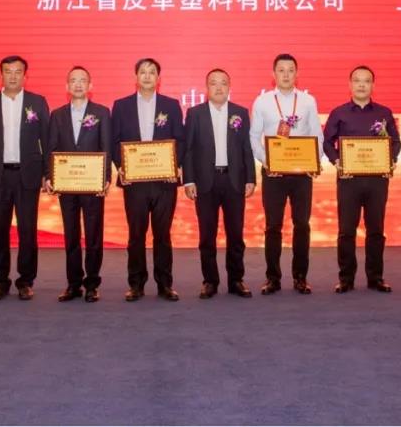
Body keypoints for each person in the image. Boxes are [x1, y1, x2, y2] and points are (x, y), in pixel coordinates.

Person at [0, 55, 50, 301]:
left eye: (18, 72)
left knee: (28, 231)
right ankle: (0, 281)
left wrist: (48, 173)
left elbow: (47, 141)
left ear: (25, 76)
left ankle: (26, 281)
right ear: (1, 75)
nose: (13, 76)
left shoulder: (37, 102)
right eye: (8, 71)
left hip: (28, 176)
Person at [111, 58, 185, 302]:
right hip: (134, 182)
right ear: (136, 77)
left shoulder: (171, 105)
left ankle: (165, 284)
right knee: (136, 235)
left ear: (158, 78)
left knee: (162, 235)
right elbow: (114, 141)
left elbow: (180, 139)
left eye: (152, 72)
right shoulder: (121, 106)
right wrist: (122, 167)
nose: (147, 76)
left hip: (164, 182)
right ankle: (136, 284)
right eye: (142, 72)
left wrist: (175, 165)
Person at [249, 53, 324, 295]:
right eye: (281, 70)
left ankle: (300, 277)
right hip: (273, 174)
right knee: (273, 226)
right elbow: (253, 137)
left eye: (290, 70)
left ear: (297, 74)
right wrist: (267, 161)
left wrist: (315, 161)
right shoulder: (262, 102)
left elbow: (316, 134)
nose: (286, 74)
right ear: (273, 74)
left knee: (301, 225)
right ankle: (273, 278)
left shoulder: (307, 101)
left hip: (301, 174)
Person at [323, 66, 401, 293]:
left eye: (366, 81)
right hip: (349, 180)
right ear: (350, 84)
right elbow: (327, 142)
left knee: (375, 230)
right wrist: (337, 161)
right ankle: (346, 278)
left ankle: (376, 277)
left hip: (377, 180)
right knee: (346, 231)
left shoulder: (384, 113)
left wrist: (390, 159)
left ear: (372, 85)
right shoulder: (339, 113)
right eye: (357, 80)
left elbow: (395, 142)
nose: (361, 85)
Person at [182, 69, 256, 299]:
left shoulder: (240, 113)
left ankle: (236, 280)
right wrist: (189, 180)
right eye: (213, 83)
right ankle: (210, 281)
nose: (219, 87)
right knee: (207, 235)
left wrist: (250, 178)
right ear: (206, 88)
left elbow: (246, 148)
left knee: (236, 234)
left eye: (223, 83)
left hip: (234, 181)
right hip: (206, 181)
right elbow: (188, 149)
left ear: (229, 87)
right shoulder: (195, 113)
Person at [45, 66, 112, 303]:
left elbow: (106, 146)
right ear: (67, 86)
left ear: (90, 86)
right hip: (67, 185)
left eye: (83, 80)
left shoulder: (101, 112)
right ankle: (73, 284)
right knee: (71, 235)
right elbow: (51, 148)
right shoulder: (57, 115)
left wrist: (105, 178)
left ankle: (92, 284)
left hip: (92, 184)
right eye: (73, 80)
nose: (78, 84)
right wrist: (49, 176)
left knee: (93, 235)